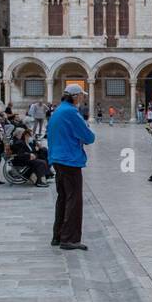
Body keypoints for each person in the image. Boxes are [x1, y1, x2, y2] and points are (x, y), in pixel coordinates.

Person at [48, 84, 96, 249]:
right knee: (74, 199)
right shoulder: (71, 112)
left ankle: (58, 235)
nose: (82, 99)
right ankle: (69, 239)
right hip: (69, 159)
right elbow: (89, 137)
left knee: (63, 197)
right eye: (81, 96)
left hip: (57, 158)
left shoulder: (58, 110)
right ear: (75, 97)